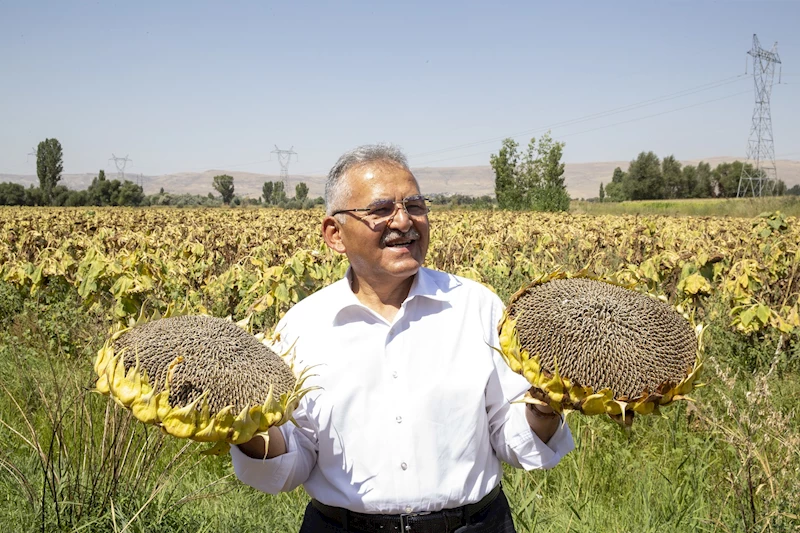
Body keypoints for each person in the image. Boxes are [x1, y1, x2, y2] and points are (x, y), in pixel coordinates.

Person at [231, 144, 574, 532]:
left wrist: (545, 405)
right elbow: (292, 461)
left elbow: (512, 434)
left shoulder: (476, 307)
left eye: (415, 206)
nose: (404, 222)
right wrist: (242, 423)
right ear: (334, 234)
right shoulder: (302, 327)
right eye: (380, 210)